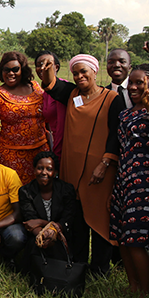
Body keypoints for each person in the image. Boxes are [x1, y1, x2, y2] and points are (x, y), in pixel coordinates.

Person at [38, 54, 123, 276]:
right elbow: (50, 85)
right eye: (75, 73)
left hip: (100, 170)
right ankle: (78, 263)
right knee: (76, 217)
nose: (79, 76)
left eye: (84, 71)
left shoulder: (112, 98)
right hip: (73, 168)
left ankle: (101, 267)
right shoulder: (72, 94)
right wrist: (48, 66)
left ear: (95, 71)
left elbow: (116, 133)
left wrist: (105, 163)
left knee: (99, 217)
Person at [110, 64, 149, 298]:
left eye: (139, 83)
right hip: (123, 179)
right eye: (131, 83)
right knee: (122, 238)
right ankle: (133, 285)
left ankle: (145, 290)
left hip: (144, 181)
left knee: (136, 239)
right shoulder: (125, 113)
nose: (133, 87)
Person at [0, 51, 48, 184]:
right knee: (14, 193)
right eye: (6, 70)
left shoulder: (35, 87)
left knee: (39, 191)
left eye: (15, 69)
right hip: (11, 156)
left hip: (39, 152)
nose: (10, 73)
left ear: (22, 70)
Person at [18, 152, 77, 270]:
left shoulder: (67, 190)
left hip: (62, 235)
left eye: (49, 169)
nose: (44, 172)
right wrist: (44, 235)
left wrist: (50, 228)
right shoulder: (25, 191)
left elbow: (68, 217)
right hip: (38, 238)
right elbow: (30, 220)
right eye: (40, 168)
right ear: (34, 170)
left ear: (55, 172)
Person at [36, 52, 66, 159]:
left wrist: (57, 153)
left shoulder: (62, 90)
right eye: (39, 65)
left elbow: (62, 125)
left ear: (56, 67)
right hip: (52, 143)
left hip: (64, 146)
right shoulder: (44, 93)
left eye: (47, 64)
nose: (42, 68)